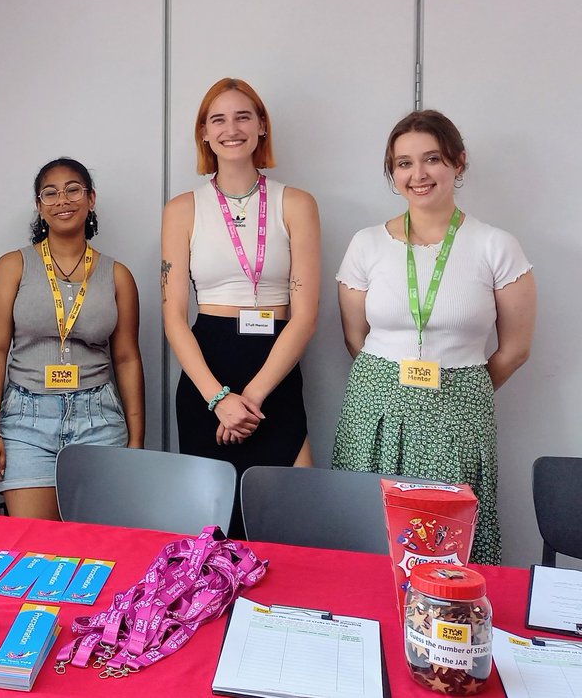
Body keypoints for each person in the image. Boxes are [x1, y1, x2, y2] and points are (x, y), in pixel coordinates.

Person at [332, 110, 535, 565]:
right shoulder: (366, 243)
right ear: (393, 172)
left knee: (446, 544)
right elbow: (355, 338)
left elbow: (516, 349)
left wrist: (461, 389)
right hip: (374, 409)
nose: (418, 175)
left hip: (458, 413)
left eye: (432, 159)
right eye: (404, 163)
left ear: (457, 162)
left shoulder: (496, 245)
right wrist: (391, 385)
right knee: (366, 533)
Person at [161, 78, 320, 537]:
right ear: (204, 133)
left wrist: (249, 400)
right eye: (218, 120)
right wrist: (219, 399)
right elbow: (174, 318)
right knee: (212, 536)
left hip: (275, 373)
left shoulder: (297, 204)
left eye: (243, 117)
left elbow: (305, 315)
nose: (231, 129)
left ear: (262, 126)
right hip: (207, 375)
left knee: (290, 526)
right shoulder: (182, 209)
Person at [0, 157, 144, 520]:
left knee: (98, 544)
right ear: (39, 206)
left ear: (91, 198)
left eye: (73, 190)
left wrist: (136, 441)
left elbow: (128, 359)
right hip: (27, 420)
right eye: (50, 193)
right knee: (36, 544)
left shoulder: (117, 275)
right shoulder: (12, 267)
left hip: (99, 419)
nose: (62, 200)